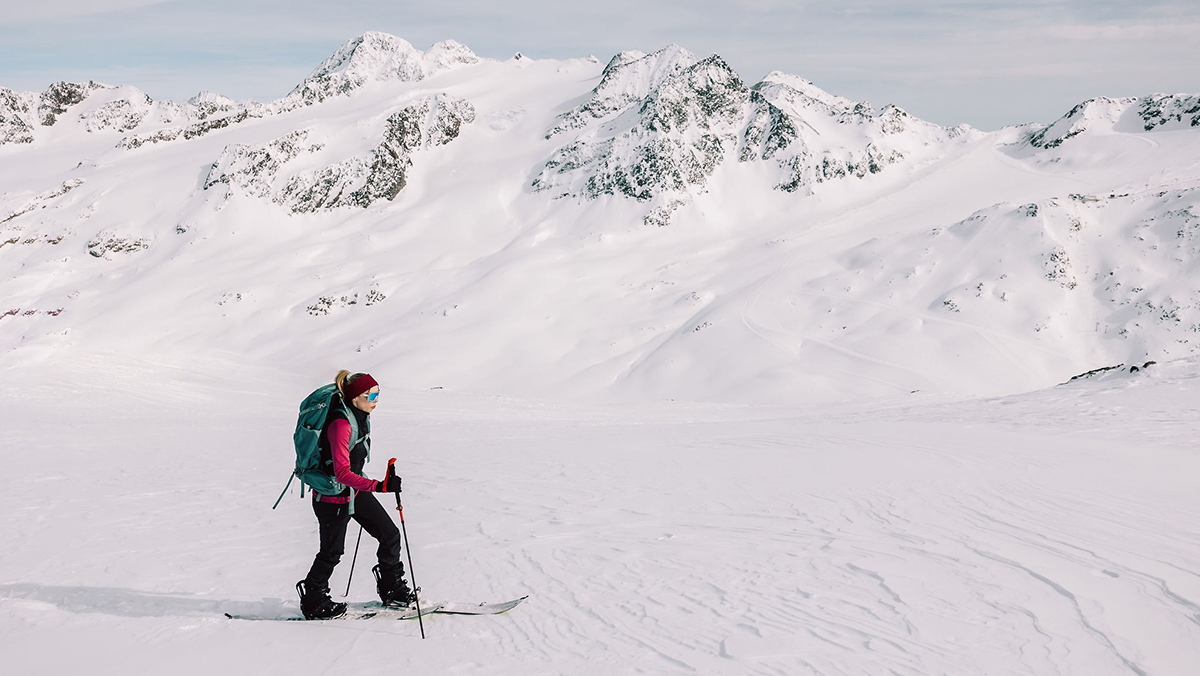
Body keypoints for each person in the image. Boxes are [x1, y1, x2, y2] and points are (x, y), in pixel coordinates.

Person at [295, 370, 416, 620]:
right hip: (331, 496)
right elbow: (341, 473)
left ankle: (392, 588)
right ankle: (314, 600)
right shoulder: (341, 424)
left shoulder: (359, 417)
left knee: (389, 534)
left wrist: (378, 483)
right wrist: (380, 486)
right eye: (370, 394)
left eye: (378, 393)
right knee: (332, 552)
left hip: (353, 492)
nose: (376, 399)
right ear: (353, 398)